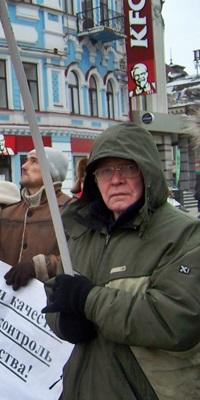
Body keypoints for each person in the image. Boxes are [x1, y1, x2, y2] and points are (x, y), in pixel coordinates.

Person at [42, 122, 200, 399]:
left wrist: (89, 300)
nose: (115, 180)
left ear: (147, 172)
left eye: (127, 168)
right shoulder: (82, 232)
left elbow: (177, 319)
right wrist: (64, 322)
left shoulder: (184, 234)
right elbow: (59, 294)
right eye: (105, 171)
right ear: (94, 180)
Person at [0, 147, 72, 291]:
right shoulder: (9, 213)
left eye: (34, 161)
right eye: (26, 161)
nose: (24, 166)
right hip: (10, 304)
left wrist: (39, 266)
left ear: (53, 172)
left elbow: (80, 259)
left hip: (52, 304)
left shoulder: (71, 210)